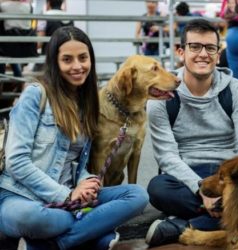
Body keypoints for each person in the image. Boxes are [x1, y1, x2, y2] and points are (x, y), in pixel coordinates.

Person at [0, 26, 148, 250]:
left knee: (136, 195)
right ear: (55, 63)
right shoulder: (35, 95)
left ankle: (56, 243)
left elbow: (78, 165)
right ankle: (90, 232)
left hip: (69, 200)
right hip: (19, 197)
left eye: (83, 58)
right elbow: (16, 162)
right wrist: (68, 194)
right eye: (67, 59)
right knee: (33, 219)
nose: (77, 66)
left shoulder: (87, 102)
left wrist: (84, 183)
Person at [145, 19, 238, 247]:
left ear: (218, 55)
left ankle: (185, 225)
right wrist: (202, 191)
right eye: (195, 47)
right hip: (185, 174)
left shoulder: (236, 91)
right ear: (181, 52)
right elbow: (166, 156)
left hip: (227, 173)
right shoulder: (162, 97)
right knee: (157, 188)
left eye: (210, 48)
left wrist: (229, 189)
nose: (203, 54)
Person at [33, 0, 73, 72]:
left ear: (48, 4)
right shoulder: (69, 17)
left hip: (48, 54)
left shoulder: (45, 17)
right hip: (66, 55)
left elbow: (40, 41)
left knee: (36, 74)